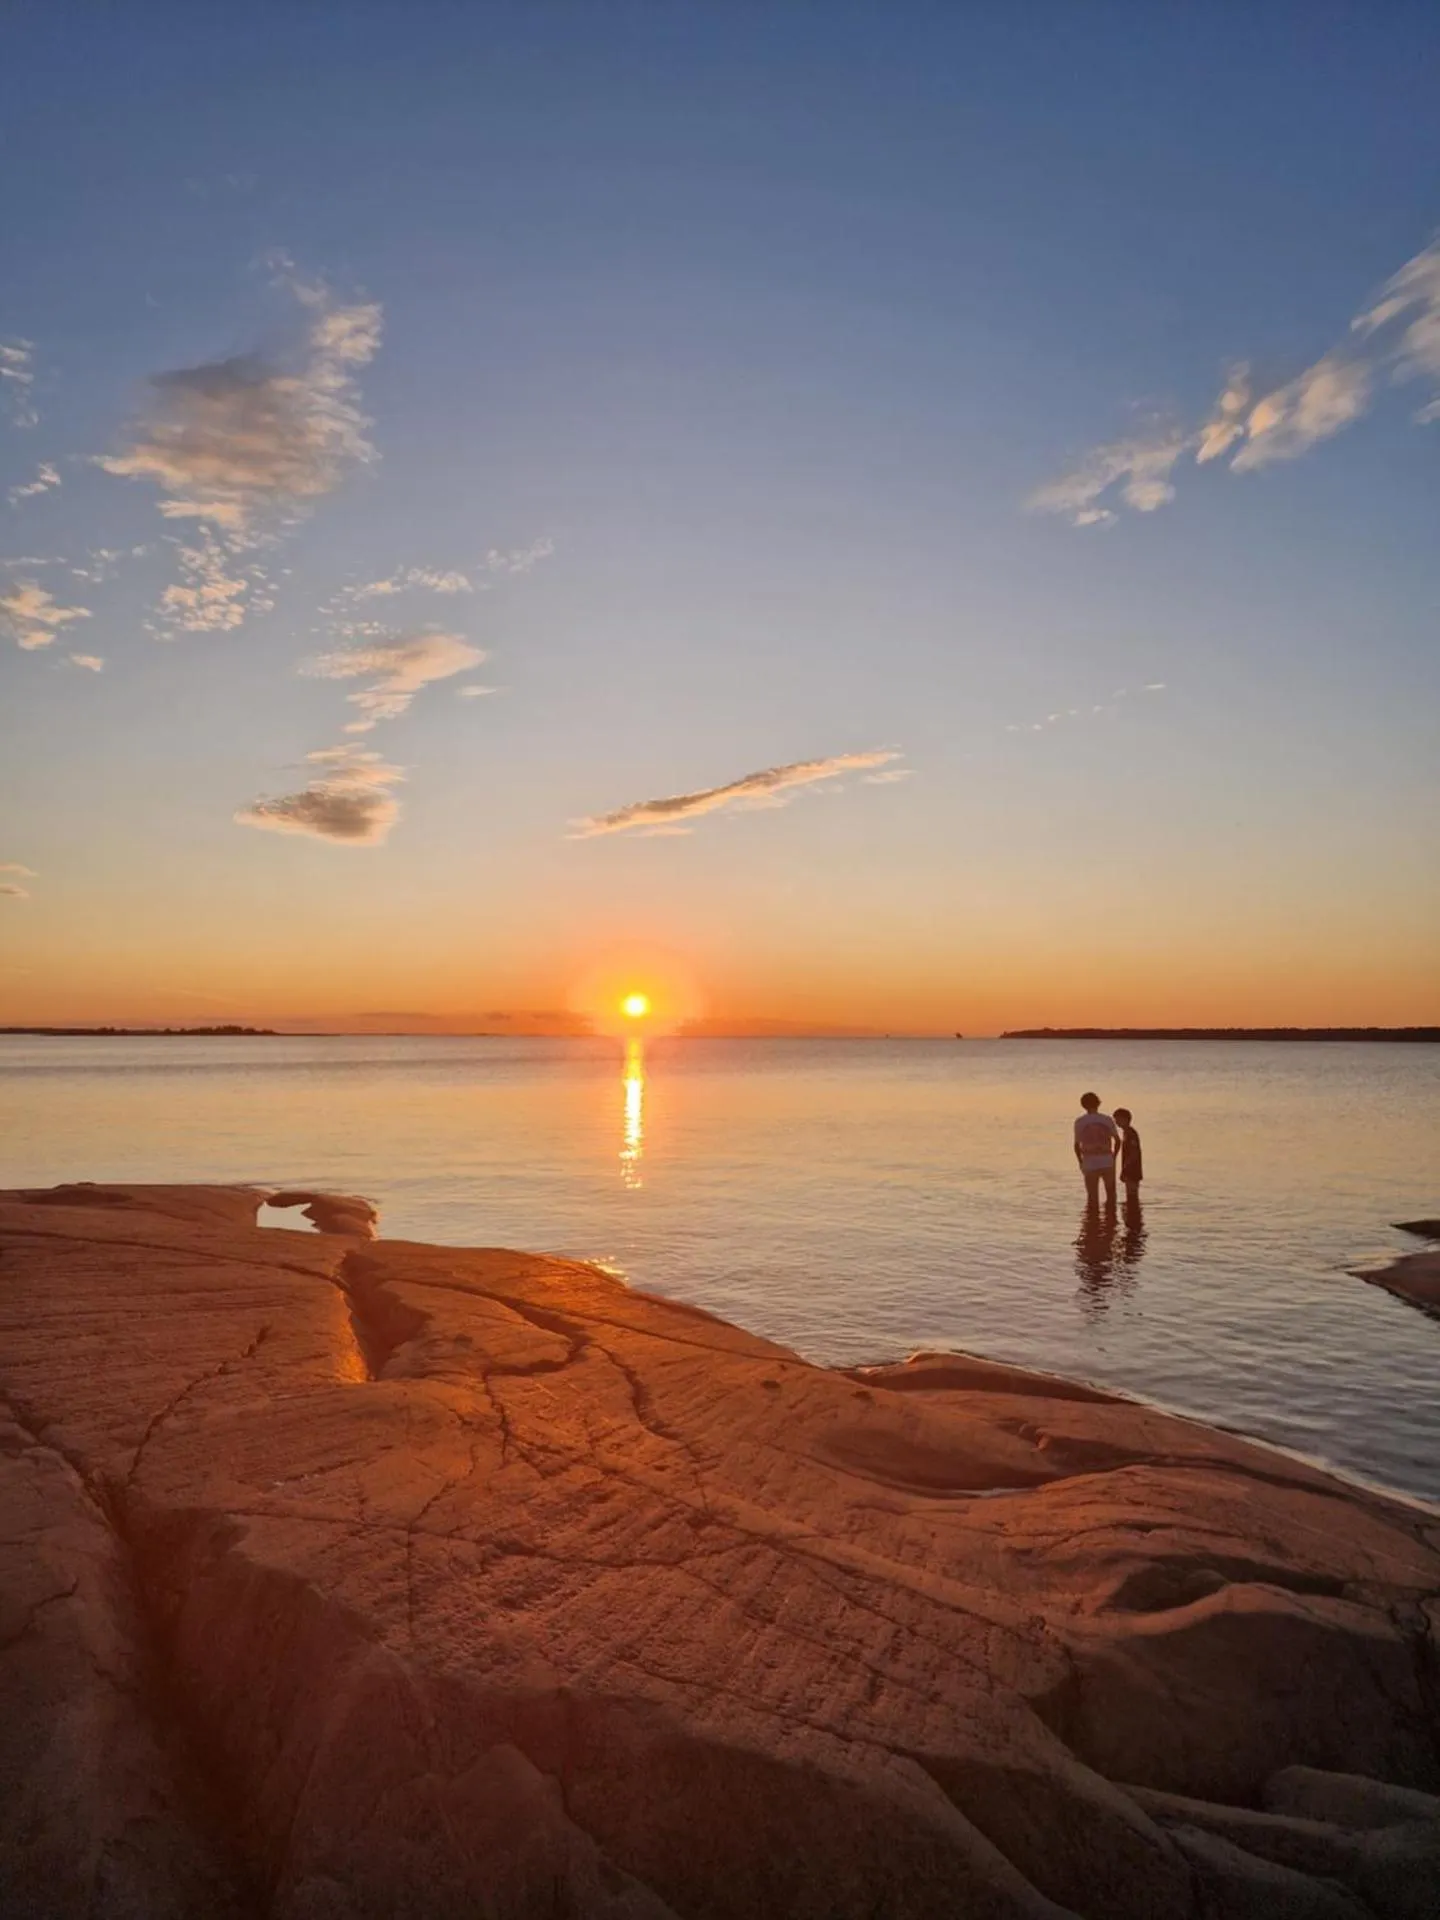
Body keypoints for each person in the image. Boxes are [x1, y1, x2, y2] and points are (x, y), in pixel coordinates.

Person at [1073, 1091, 1119, 1208]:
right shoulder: (1107, 1119)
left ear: (1083, 1105)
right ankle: (1110, 1222)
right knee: (1111, 1196)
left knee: (1092, 1198)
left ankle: (1093, 1223)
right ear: (1098, 1103)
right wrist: (1114, 1157)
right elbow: (1118, 1141)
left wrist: (1080, 1161)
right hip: (1107, 1159)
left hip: (1089, 1161)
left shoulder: (1080, 1122)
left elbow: (1077, 1145)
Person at [1113, 1106, 1143, 1205]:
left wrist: (1125, 1168)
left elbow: (1134, 1153)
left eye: (1118, 1119)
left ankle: (1133, 1216)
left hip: (1133, 1170)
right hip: (1130, 1169)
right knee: (1130, 1196)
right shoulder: (1126, 1133)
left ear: (1125, 1119)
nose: (1116, 1122)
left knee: (1132, 1196)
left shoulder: (1131, 1133)